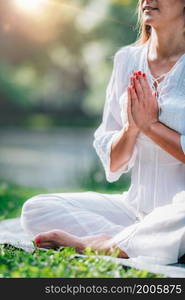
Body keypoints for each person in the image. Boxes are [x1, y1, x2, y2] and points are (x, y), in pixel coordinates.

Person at [20, 0, 185, 264]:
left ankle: (114, 244)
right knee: (36, 208)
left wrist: (150, 127)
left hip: (180, 212)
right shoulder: (126, 60)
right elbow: (114, 162)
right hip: (134, 209)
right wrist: (131, 129)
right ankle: (147, 242)